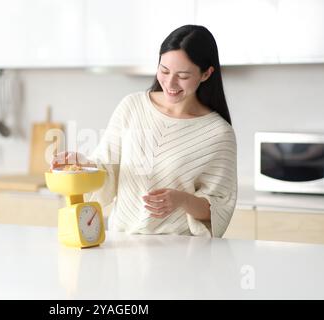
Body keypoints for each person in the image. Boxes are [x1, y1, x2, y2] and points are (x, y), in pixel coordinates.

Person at [51, 25, 237, 237]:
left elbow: (219, 207)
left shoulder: (219, 133)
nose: (170, 83)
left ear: (206, 74)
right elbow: (107, 166)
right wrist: (82, 163)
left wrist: (182, 199)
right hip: (123, 243)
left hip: (181, 251)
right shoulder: (132, 106)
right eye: (164, 71)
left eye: (183, 76)